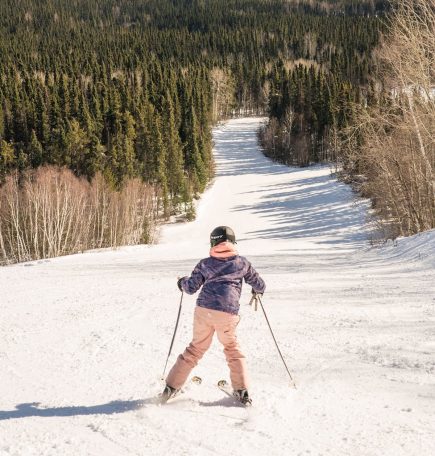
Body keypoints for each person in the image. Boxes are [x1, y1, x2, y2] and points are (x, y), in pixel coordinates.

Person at [162, 226, 265, 405]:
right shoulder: (242, 263)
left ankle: (171, 387)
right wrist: (258, 290)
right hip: (227, 312)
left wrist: (181, 282)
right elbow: (259, 283)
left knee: (195, 349)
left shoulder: (205, 263)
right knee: (232, 349)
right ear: (232, 242)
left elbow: (190, 288)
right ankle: (242, 391)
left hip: (204, 310)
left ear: (213, 242)